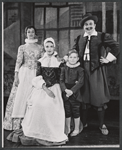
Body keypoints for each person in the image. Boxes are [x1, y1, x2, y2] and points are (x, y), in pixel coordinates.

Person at [7, 37, 68, 146]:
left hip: (55, 87)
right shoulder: (40, 61)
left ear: (54, 47)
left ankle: (50, 132)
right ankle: (37, 130)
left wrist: (54, 89)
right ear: (44, 48)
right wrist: (45, 88)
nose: (49, 48)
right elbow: (37, 77)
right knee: (36, 105)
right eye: (47, 46)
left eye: (51, 46)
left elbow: (61, 79)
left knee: (51, 107)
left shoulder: (59, 61)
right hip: (42, 87)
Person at [68, 13, 119, 135]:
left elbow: (116, 47)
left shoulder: (102, 36)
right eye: (86, 24)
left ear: (95, 25)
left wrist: (108, 59)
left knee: (99, 97)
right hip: (82, 70)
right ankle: (84, 123)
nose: (88, 26)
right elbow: (74, 51)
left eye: (90, 24)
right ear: (83, 26)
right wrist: (67, 57)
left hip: (96, 70)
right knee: (84, 98)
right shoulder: (80, 38)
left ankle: (101, 124)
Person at [3, 25, 44, 130]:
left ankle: (31, 121)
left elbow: (44, 60)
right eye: (28, 32)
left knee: (33, 96)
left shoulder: (40, 47)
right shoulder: (22, 47)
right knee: (21, 96)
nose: (30, 33)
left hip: (35, 73)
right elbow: (18, 62)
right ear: (26, 34)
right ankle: (18, 123)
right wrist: (16, 76)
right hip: (24, 73)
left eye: (32, 31)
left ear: (35, 33)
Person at [60, 50, 84, 137]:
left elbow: (81, 82)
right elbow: (61, 81)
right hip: (66, 93)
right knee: (67, 111)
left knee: (76, 110)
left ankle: (76, 128)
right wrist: (65, 90)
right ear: (68, 58)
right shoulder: (64, 68)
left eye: (75, 57)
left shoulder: (80, 70)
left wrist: (72, 91)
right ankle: (67, 128)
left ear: (78, 59)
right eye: (71, 57)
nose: (72, 59)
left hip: (75, 93)